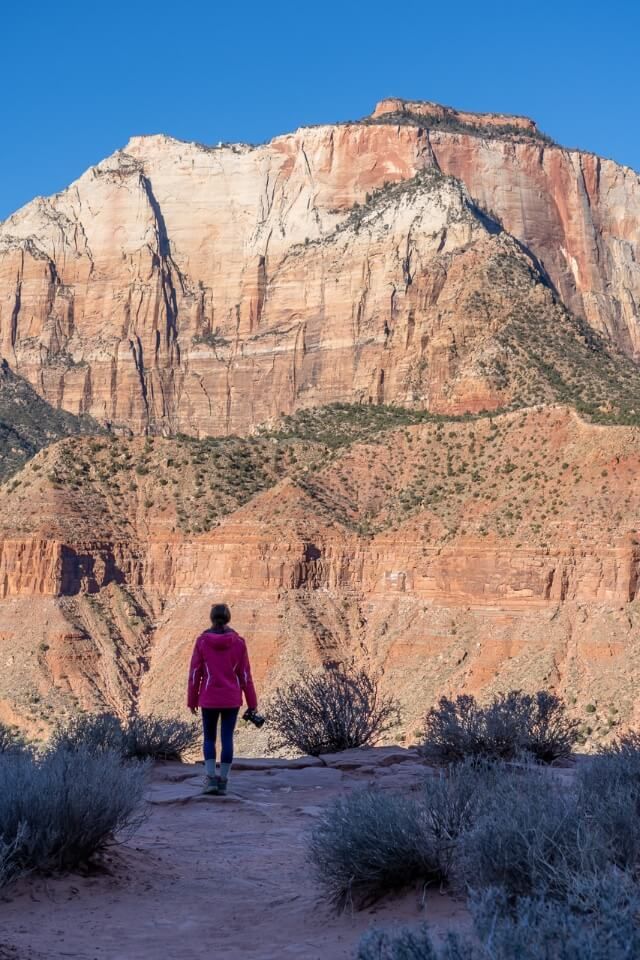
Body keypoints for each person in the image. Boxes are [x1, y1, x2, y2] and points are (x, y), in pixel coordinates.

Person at [187, 603, 258, 795]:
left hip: (209, 698)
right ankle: (224, 781)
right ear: (228, 618)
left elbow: (195, 673)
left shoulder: (202, 642)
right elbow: (245, 676)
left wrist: (192, 700)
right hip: (231, 699)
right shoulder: (239, 643)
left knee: (209, 737)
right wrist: (252, 704)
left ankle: (210, 779)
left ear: (211, 618)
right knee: (227, 739)